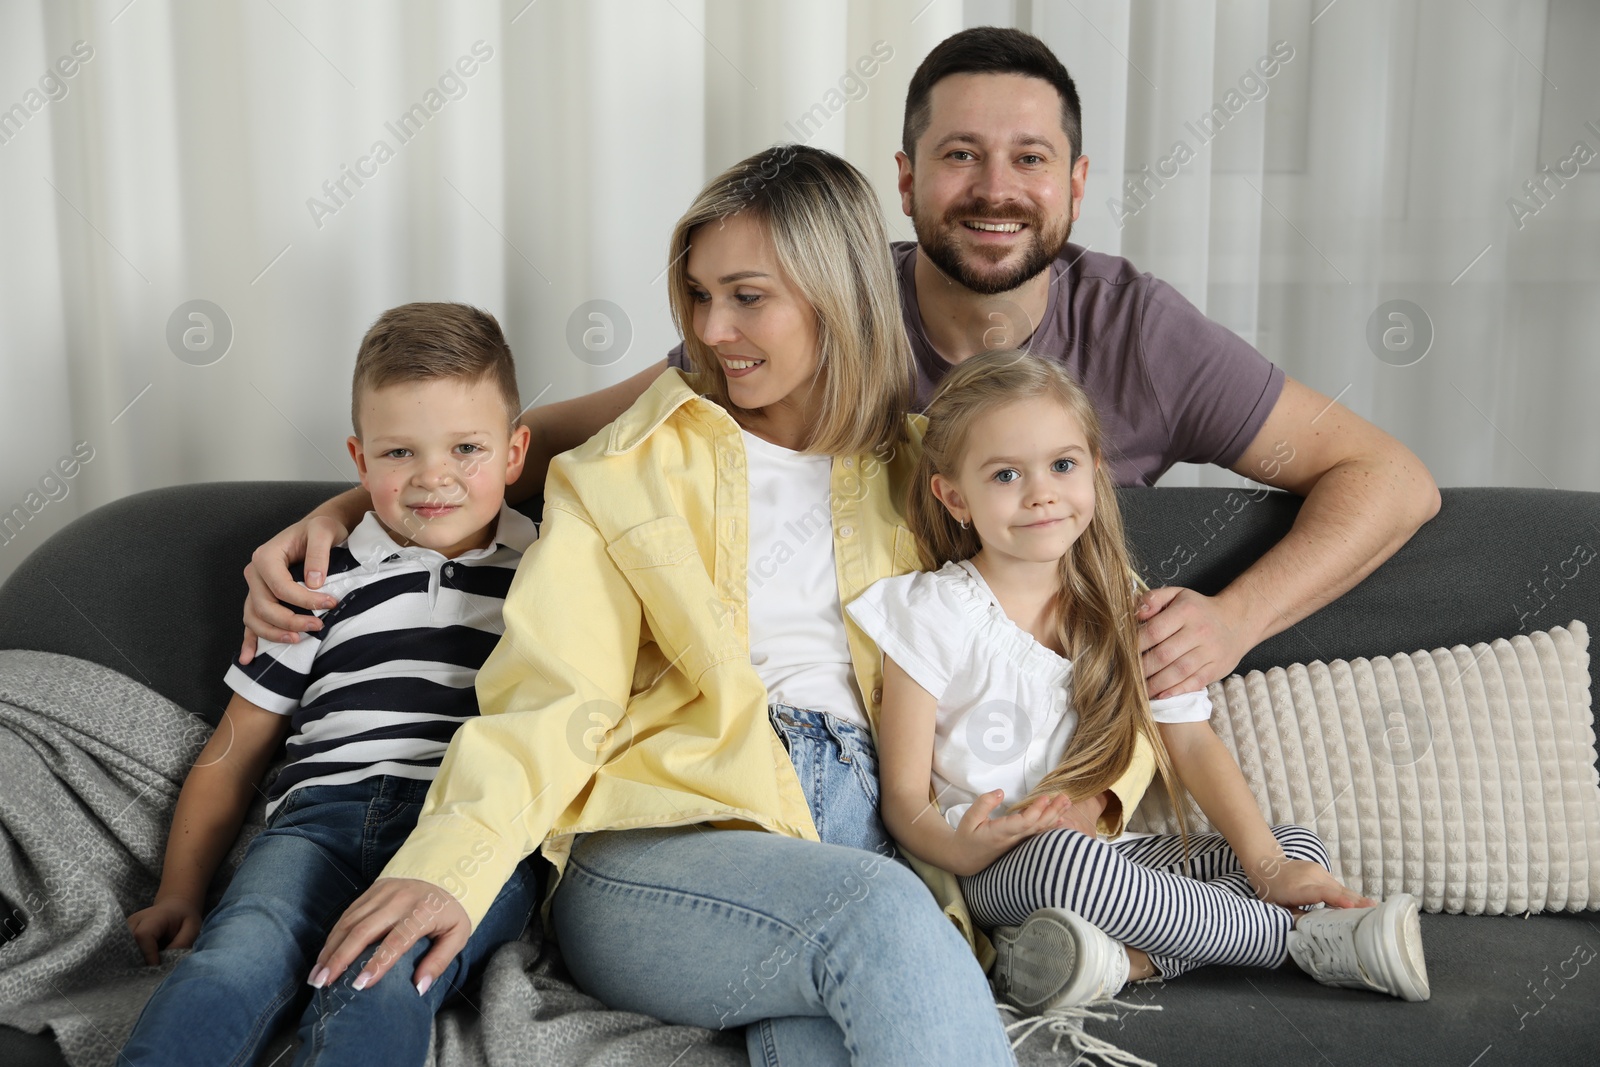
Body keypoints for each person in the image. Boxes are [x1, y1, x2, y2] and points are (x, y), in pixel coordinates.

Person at [235, 26, 1439, 705]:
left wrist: (1233, 621)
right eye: (959, 155)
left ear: (1075, 183)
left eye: (1030, 157)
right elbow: (544, 440)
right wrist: (346, 508)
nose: (996, 189)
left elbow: (1386, 477)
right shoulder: (808, 313)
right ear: (906, 181)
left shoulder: (1141, 331)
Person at [300, 146, 1055, 1066]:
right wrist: (450, 865)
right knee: (880, 913)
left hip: (846, 848)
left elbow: (1077, 623)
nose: (713, 327)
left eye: (746, 296)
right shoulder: (625, 471)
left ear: (837, 291)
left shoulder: (934, 472)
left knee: (830, 1026)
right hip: (663, 842)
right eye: (699, 296)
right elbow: (553, 689)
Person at [847, 348, 1429, 1016]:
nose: (1041, 492)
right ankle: (1305, 937)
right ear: (954, 496)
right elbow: (902, 799)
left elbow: (1193, 743)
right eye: (1006, 474)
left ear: (1094, 472)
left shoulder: (1124, 605)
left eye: (1062, 466)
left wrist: (1269, 867)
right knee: (1065, 860)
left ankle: (1119, 959)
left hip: (1112, 860)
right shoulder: (931, 610)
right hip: (999, 866)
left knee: (1294, 845)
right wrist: (959, 843)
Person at [119, 304, 546, 1067]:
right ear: (358, 459)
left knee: (378, 979)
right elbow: (234, 749)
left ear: (516, 452)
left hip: (462, 830)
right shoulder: (320, 578)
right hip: (315, 822)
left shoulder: (549, 574)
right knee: (230, 964)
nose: (433, 478)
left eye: (466, 448)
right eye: (398, 452)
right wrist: (179, 891)